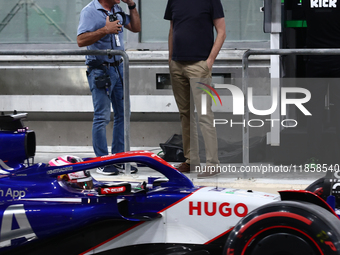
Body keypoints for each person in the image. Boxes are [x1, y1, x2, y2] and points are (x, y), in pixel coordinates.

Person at [77, 0, 140, 175]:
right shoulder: (89, 11)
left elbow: (135, 28)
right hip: (100, 70)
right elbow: (81, 40)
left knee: (123, 114)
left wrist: (132, 6)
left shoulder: (117, 9)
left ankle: (119, 157)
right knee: (102, 116)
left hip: (118, 67)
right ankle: (102, 161)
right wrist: (105, 30)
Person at [164, 0, 226, 178]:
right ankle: (192, 160)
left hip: (199, 64)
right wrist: (170, 60)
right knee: (185, 114)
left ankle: (213, 163)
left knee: (205, 114)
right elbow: (172, 30)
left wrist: (210, 61)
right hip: (177, 64)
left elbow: (221, 32)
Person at [301, 0, 340, 167]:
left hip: (315, 58)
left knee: (314, 112)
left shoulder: (308, 1)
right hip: (337, 57)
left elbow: (302, 16)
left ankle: (313, 158)